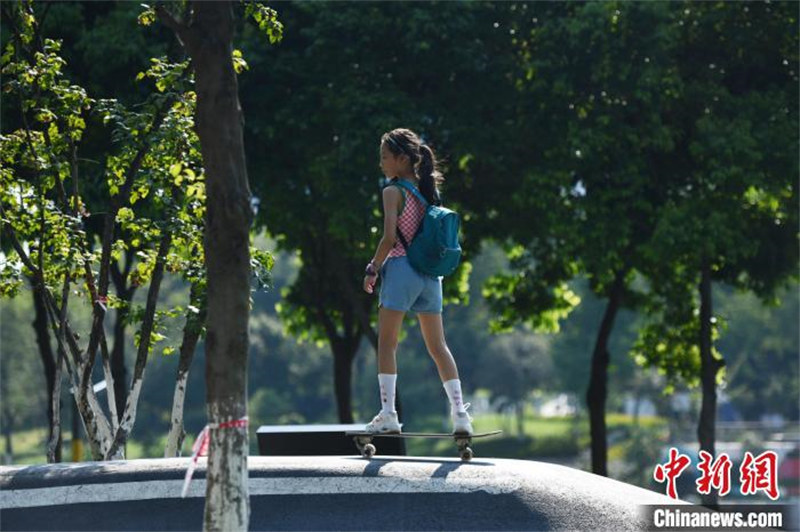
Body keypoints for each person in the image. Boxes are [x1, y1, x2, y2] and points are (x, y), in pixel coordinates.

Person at [361, 127, 473, 436]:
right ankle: (460, 414)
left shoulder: (392, 192)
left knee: (387, 343)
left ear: (400, 159)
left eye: (384, 157)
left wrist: (372, 268)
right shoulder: (428, 192)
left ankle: (387, 413)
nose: (381, 163)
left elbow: (388, 238)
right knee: (438, 347)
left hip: (400, 270)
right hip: (429, 277)